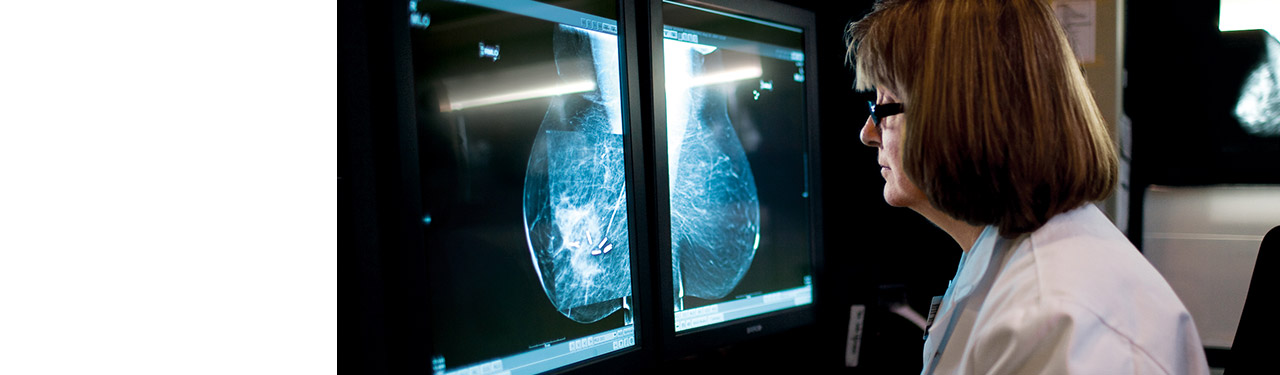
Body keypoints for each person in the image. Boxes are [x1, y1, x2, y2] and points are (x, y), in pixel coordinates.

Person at [845, 0, 1210, 374]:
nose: (867, 134)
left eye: (885, 104)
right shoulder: (1008, 251)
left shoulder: (1050, 319)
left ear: (957, 115)